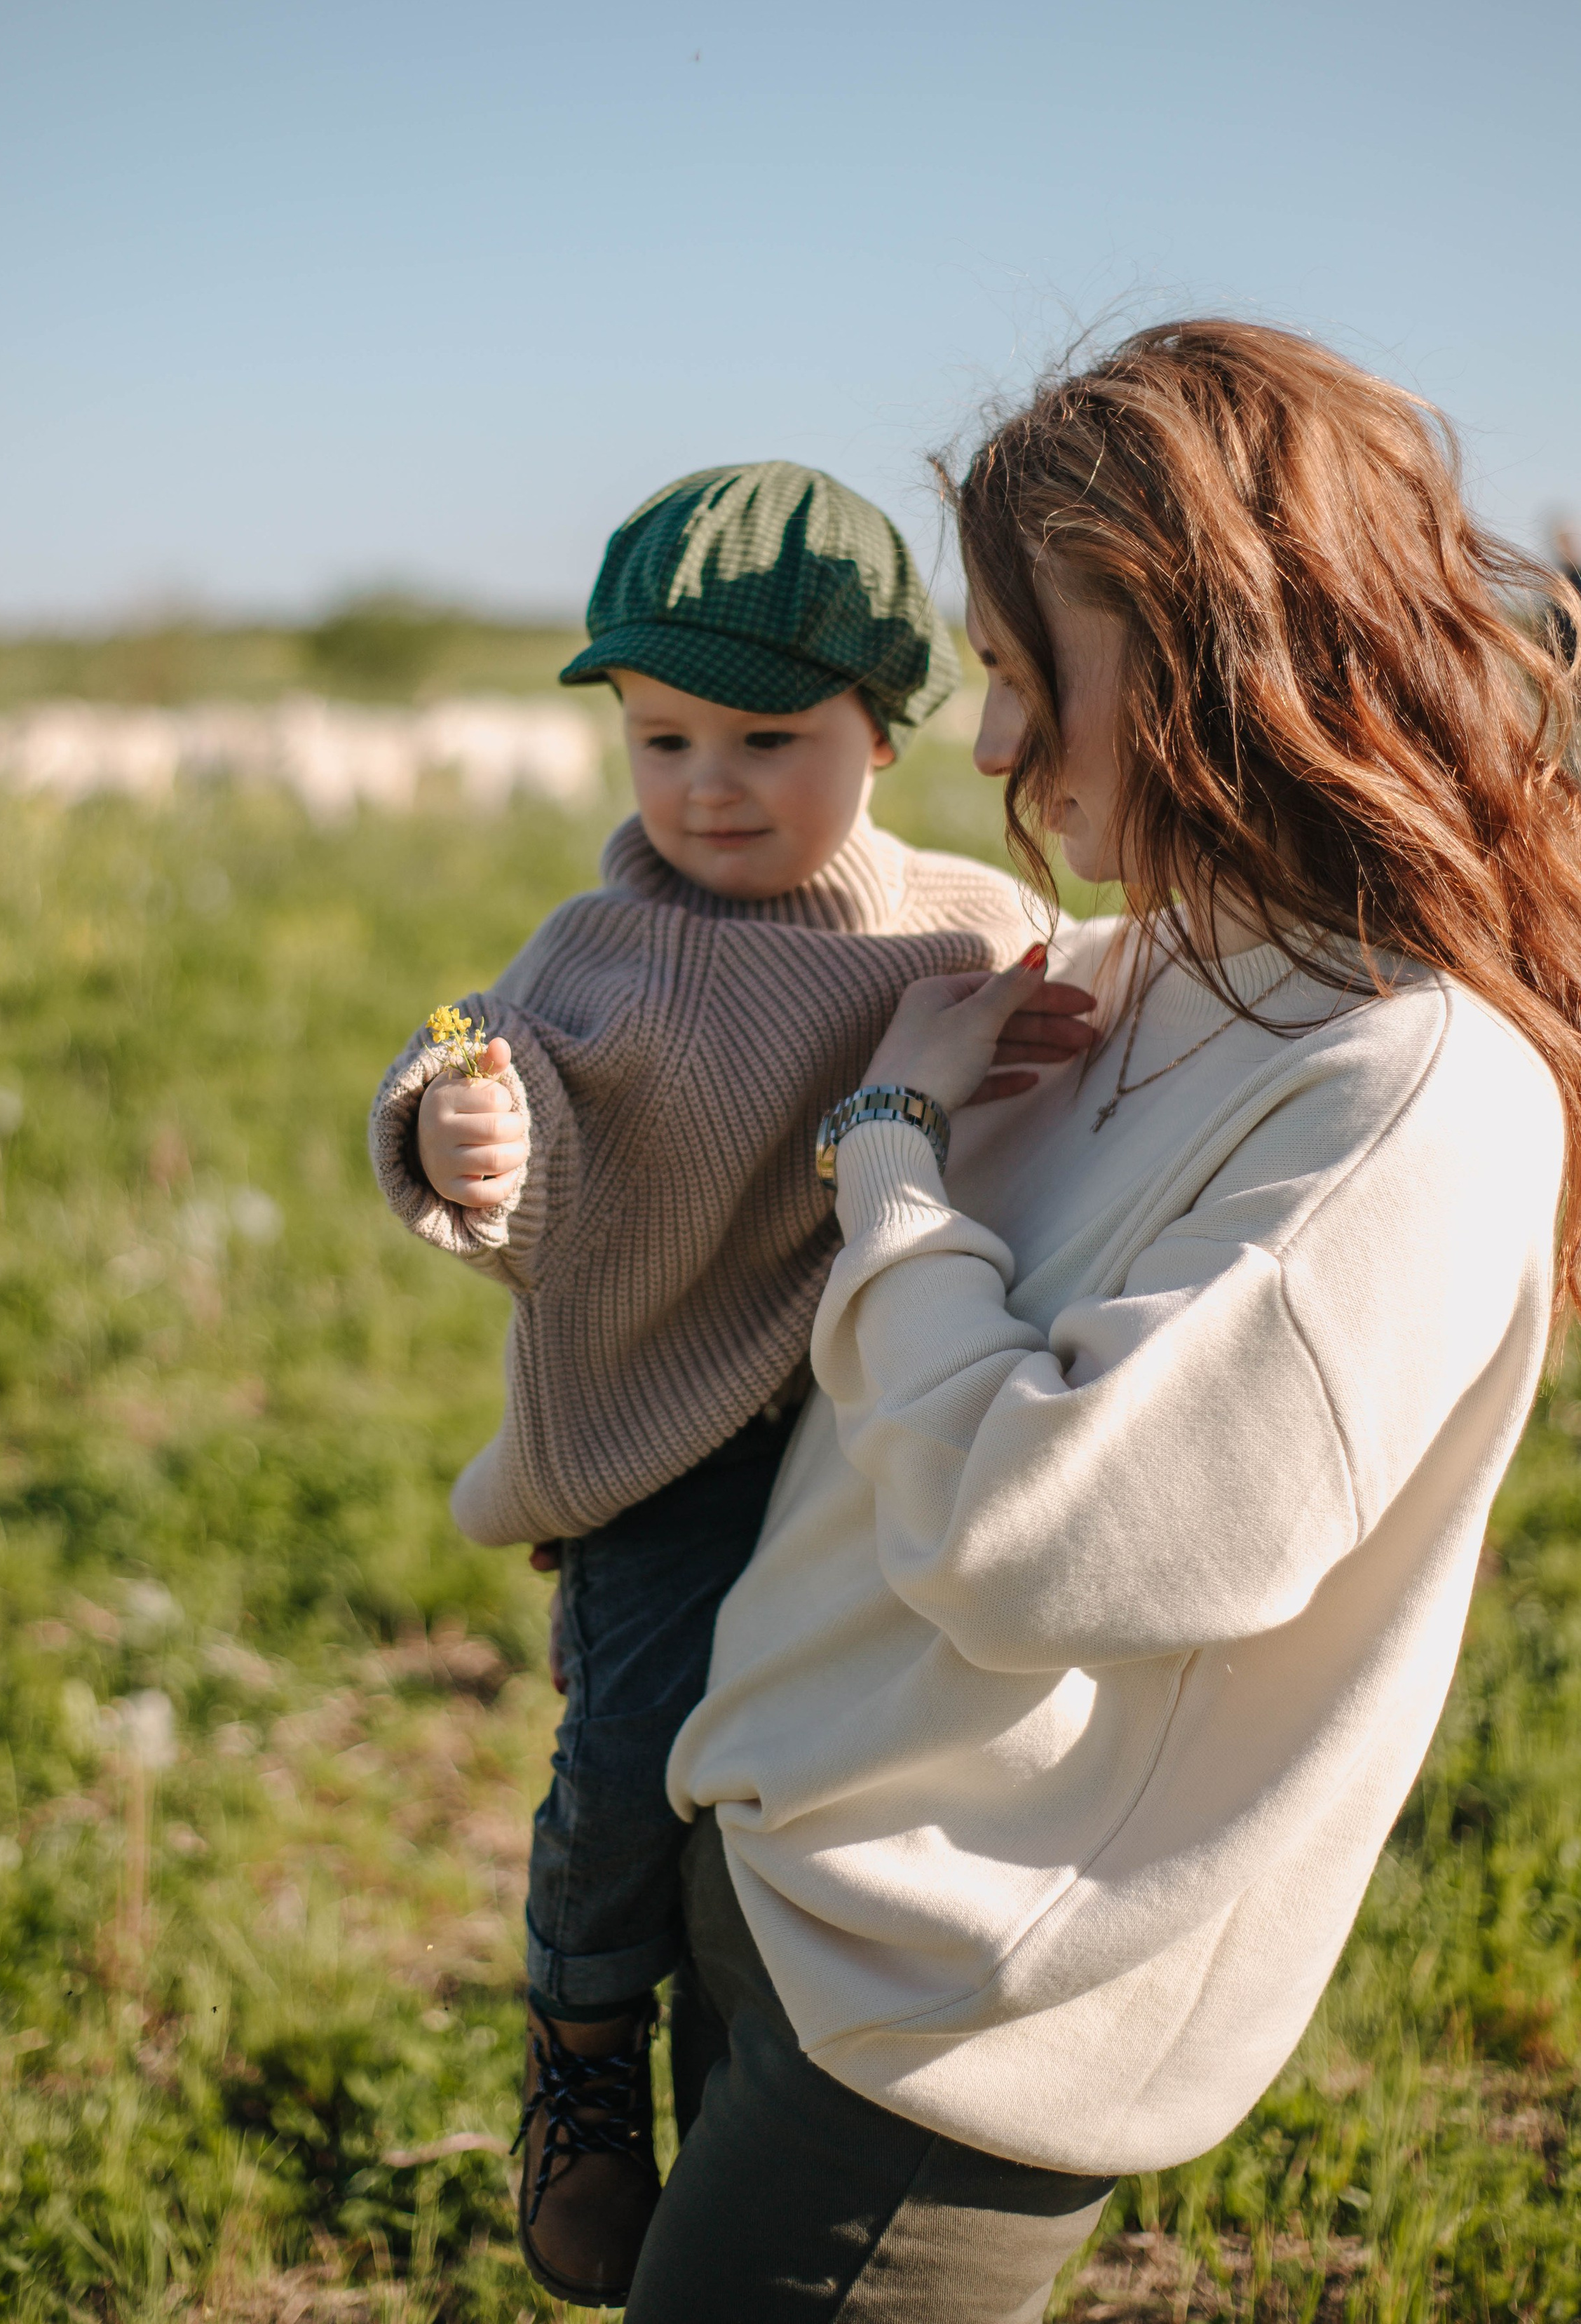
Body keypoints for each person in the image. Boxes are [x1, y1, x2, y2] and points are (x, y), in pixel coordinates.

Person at [635, 322, 1581, 2323]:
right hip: (800, 1898)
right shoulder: (1117, 976)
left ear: (1210, 648)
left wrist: (890, 1148)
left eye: (1011, 664)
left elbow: (1036, 1537)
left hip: (947, 2019)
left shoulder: (1409, 1089)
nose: (982, 747)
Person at [369, 461, 1068, 2304]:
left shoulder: (960, 926)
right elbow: (470, 1050)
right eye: (660, 737)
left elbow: (1053, 1059)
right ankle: (583, 2048)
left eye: (765, 737)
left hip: (878, 1424)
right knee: (627, 1762)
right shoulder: (607, 945)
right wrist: (459, 1126)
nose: (704, 787)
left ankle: (766, 2061)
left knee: (815, 1800)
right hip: (671, 1448)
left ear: (882, 730)